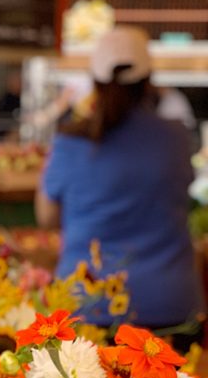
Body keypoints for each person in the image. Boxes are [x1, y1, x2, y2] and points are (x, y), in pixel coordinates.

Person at [37, 27, 204, 343]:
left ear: (95, 81)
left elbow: (47, 218)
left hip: (88, 307)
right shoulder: (176, 137)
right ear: (148, 81)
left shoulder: (70, 140)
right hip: (170, 305)